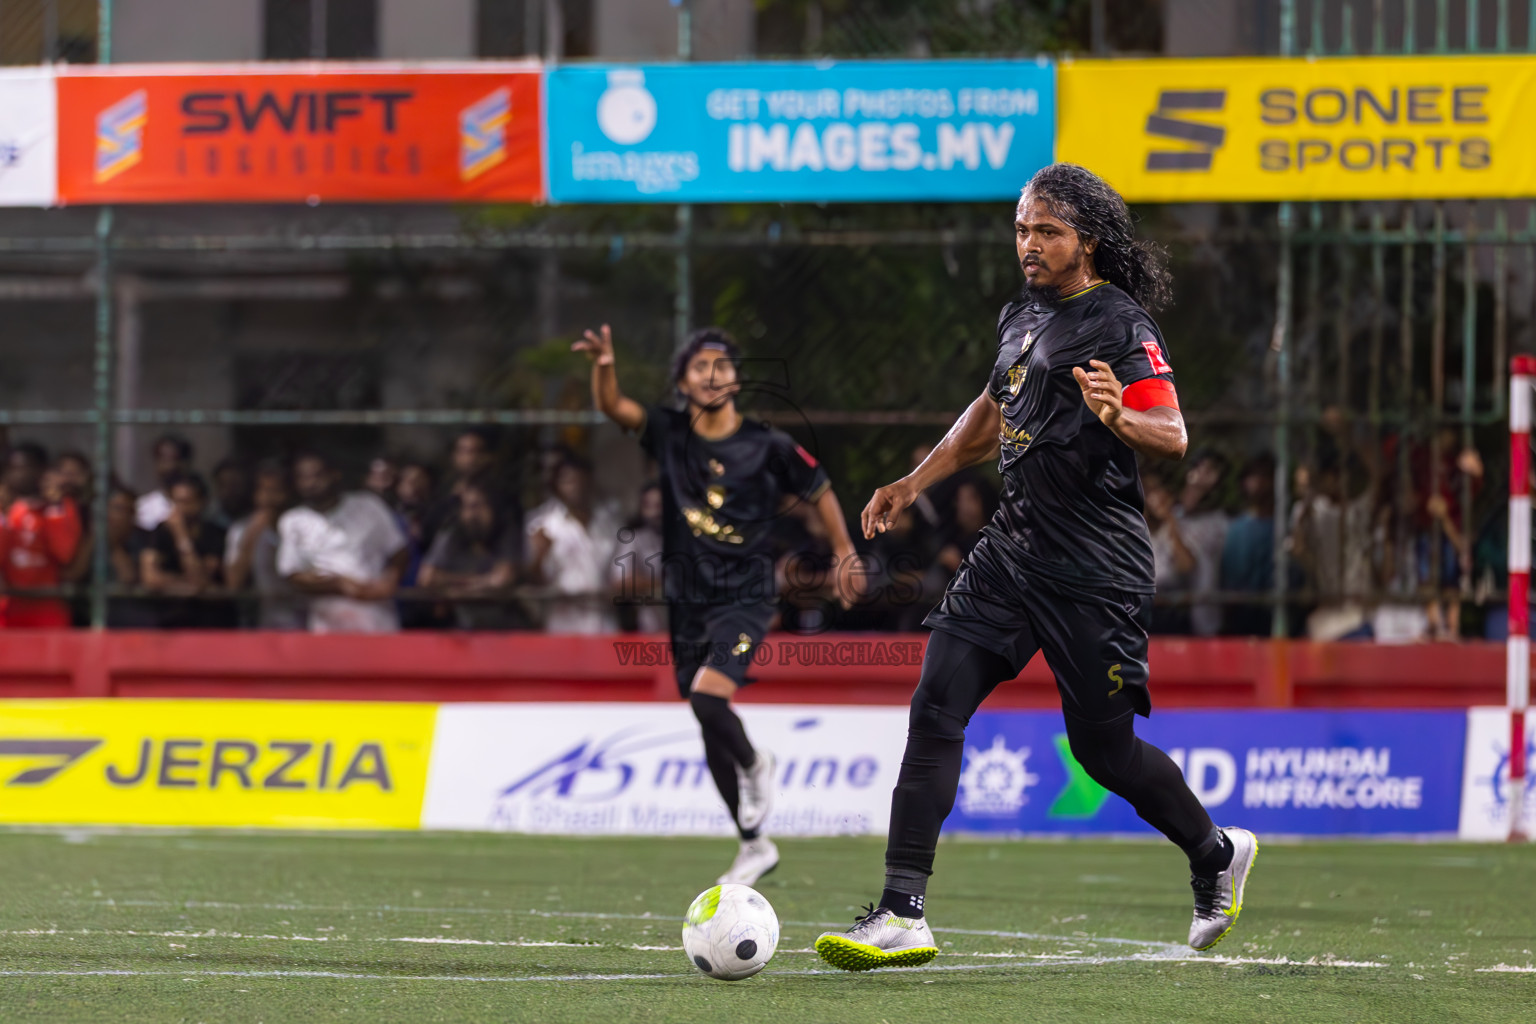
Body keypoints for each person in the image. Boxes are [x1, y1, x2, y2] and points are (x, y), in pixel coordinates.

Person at [813, 164, 1257, 972]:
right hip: (1012, 553)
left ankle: (1212, 851)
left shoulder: (1120, 323)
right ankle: (902, 909)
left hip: (1095, 569)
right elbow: (989, 413)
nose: (1028, 244)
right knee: (936, 703)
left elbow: (1174, 433)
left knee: (1103, 754)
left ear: (1085, 241)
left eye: (1045, 231)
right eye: (1021, 228)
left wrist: (1122, 414)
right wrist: (915, 481)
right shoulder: (1020, 315)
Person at [573, 322, 865, 887]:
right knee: (706, 719)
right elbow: (613, 406)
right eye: (700, 366)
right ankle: (753, 845)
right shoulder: (668, 431)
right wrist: (604, 366)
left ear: (736, 379)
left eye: (723, 365)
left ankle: (758, 764)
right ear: (682, 382)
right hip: (687, 600)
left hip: (746, 595)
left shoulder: (767, 443)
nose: (714, 374)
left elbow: (820, 487)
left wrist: (845, 551)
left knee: (710, 698)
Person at [278, 451, 408, 634]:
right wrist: (340, 585)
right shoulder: (294, 520)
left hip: (376, 618)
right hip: (329, 624)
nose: (310, 483)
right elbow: (292, 574)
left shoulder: (369, 505)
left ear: (335, 474)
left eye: (317, 475)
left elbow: (399, 551)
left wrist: (391, 579)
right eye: (303, 478)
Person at [526, 454, 622, 633]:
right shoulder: (544, 526)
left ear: (590, 483)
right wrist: (539, 555)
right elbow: (534, 581)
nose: (576, 487)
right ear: (558, 486)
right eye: (569, 481)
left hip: (603, 619)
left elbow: (620, 575)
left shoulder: (610, 524)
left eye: (582, 481)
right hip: (563, 620)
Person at [419, 480, 521, 630]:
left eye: (477, 506)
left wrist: (454, 587)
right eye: (466, 507)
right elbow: (427, 578)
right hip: (463, 628)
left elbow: (501, 580)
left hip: (504, 627)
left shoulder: (506, 532)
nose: (471, 514)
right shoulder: (451, 533)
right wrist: (479, 582)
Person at [0, 442, 82, 628]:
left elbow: (65, 554)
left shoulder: (60, 508)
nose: (21, 475)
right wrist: (3, 517)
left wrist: (54, 510)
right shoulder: (7, 510)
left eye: (28, 468)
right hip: (9, 609)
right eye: (14, 469)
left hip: (47, 610)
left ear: (43, 470)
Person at [139, 473, 232, 628]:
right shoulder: (161, 532)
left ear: (202, 502)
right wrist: (187, 586)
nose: (180, 509)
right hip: (169, 620)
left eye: (188, 502)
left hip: (209, 621)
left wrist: (181, 536)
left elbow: (200, 579)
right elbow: (151, 578)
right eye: (177, 502)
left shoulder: (215, 534)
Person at [225, 461, 306, 630]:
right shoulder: (241, 529)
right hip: (264, 624)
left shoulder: (306, 526)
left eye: (275, 491)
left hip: (306, 620)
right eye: (262, 490)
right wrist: (251, 535)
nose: (267, 498)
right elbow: (233, 583)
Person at [1220, 453, 1278, 636]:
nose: (1257, 483)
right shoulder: (1236, 528)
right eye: (1252, 477)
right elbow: (1230, 576)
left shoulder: (1282, 526)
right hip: (1241, 612)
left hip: (1271, 610)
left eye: (1263, 477)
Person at [611, 481, 667, 633]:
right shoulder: (634, 538)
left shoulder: (680, 538)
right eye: (649, 506)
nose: (656, 513)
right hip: (648, 622)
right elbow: (621, 581)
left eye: (660, 505)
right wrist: (662, 584)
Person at [135, 435, 194, 531]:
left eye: (173, 459)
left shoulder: (196, 503)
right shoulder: (144, 507)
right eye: (162, 459)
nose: (168, 466)